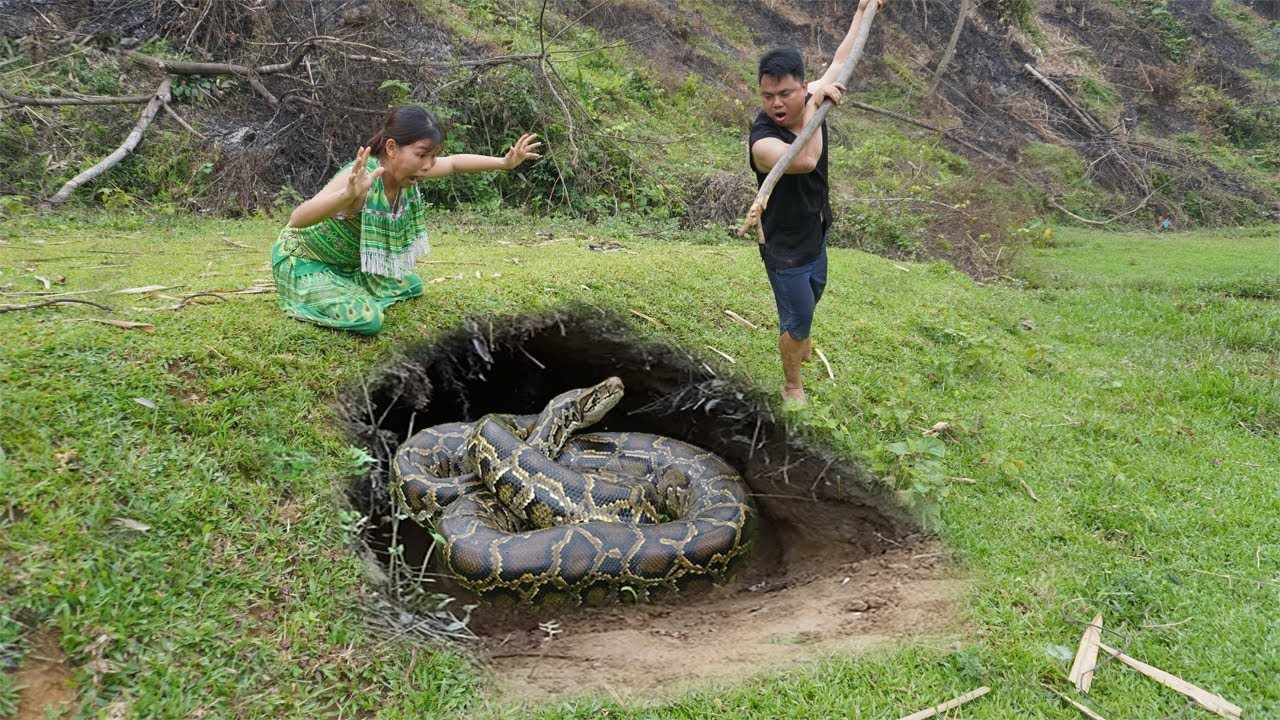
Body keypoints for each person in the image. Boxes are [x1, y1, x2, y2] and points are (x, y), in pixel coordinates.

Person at [272, 104, 541, 334]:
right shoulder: (363, 178)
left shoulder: (408, 173)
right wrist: (346, 195)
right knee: (368, 319)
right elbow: (297, 219)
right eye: (422, 154)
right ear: (392, 148)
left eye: (433, 156)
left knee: (411, 285)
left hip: (350, 267)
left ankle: (349, 282)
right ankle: (317, 289)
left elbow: (456, 163)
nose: (428, 165)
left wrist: (504, 163)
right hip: (306, 262)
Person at [748, 3, 874, 404]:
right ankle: (792, 384)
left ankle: (799, 337)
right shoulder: (762, 142)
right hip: (784, 247)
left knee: (815, 291)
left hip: (815, 233)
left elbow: (842, 57)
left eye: (785, 93)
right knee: (799, 318)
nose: (777, 104)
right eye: (768, 96)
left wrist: (863, 10)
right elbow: (804, 160)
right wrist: (816, 107)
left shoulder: (810, 95)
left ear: (801, 85)